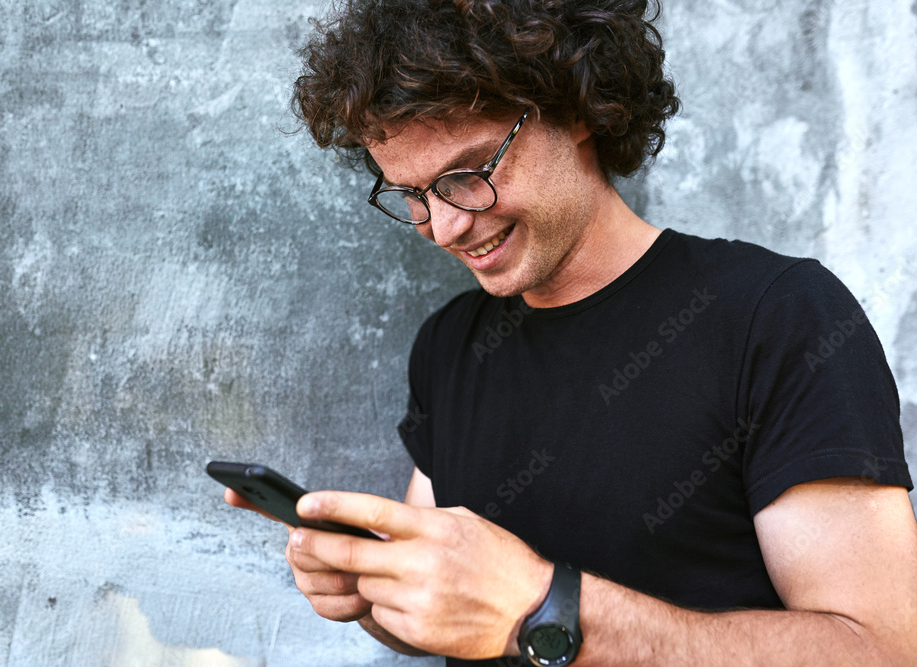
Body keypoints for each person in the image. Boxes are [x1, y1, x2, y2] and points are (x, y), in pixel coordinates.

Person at [225, 1, 917, 664]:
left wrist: (544, 604)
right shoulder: (450, 343)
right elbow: (463, 616)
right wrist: (370, 587)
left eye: (468, 174)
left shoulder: (780, 316)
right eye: (412, 194)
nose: (445, 225)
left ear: (576, 107)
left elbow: (881, 650)